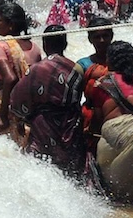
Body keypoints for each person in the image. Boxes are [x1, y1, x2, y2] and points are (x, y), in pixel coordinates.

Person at [8, 25, 87, 178]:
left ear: (45, 44)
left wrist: (23, 119)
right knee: (70, 173)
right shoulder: (76, 69)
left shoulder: (36, 69)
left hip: (42, 127)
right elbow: (77, 100)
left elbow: (17, 99)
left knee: (42, 168)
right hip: (70, 126)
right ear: (65, 44)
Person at [89, 39, 133, 206]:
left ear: (109, 60)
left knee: (112, 196)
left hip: (110, 137)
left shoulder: (100, 84)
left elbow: (97, 121)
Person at [0, 2, 40, 140]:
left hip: (3, 104)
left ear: (11, 25)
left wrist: (3, 115)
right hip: (27, 109)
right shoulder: (34, 48)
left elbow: (10, 79)